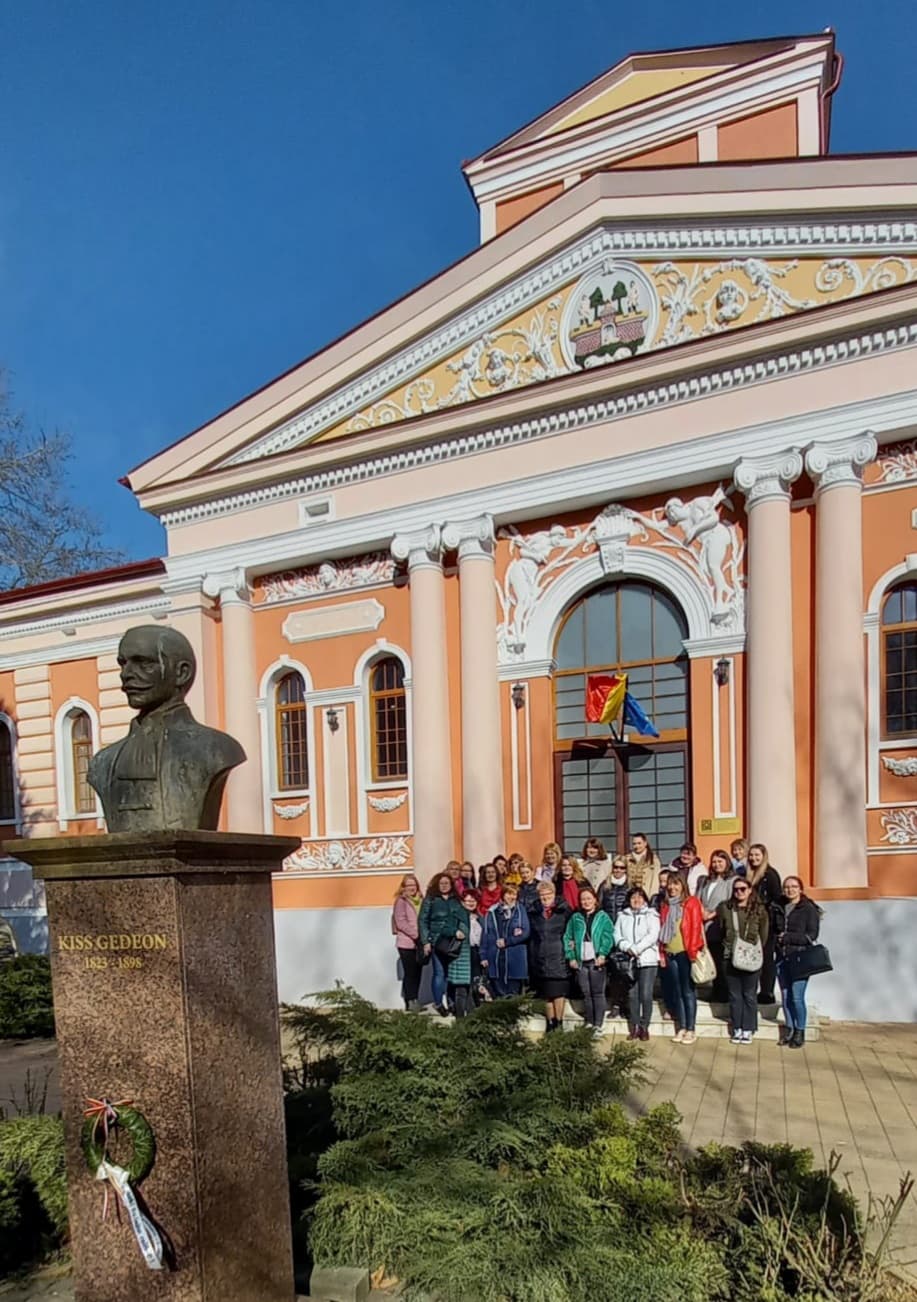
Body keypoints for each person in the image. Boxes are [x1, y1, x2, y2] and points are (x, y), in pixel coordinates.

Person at [718, 879, 769, 1043]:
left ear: (749, 890)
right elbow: (721, 929)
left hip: (751, 957)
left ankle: (748, 1027)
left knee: (749, 994)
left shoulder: (759, 910)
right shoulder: (725, 908)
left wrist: (752, 948)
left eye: (742, 889)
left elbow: (764, 933)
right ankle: (737, 1027)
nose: (739, 892)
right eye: (736, 889)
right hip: (730, 956)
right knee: (734, 995)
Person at [775, 876, 821, 1048]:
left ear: (800, 889)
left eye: (794, 886)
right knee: (786, 996)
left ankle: (800, 1031)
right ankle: (789, 1028)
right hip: (782, 958)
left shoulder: (808, 909)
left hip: (800, 958)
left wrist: (788, 938)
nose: (790, 890)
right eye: (786, 887)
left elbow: (811, 935)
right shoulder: (779, 907)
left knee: (796, 996)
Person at [658, 872, 703, 1044]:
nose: (672, 887)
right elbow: (662, 929)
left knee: (688, 991)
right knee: (677, 991)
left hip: (686, 953)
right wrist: (661, 953)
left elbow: (696, 928)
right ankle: (681, 1027)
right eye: (670, 884)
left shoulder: (691, 903)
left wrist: (693, 953)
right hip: (670, 952)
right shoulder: (665, 905)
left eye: (676, 884)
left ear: (682, 885)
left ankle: (691, 1029)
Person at [564, 885, 614, 1032]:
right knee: (586, 993)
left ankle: (598, 1024)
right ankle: (590, 1021)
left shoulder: (603, 917)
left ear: (595, 900)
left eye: (588, 898)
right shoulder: (575, 917)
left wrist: (603, 954)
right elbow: (568, 937)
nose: (586, 902)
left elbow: (608, 937)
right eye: (583, 899)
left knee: (597, 993)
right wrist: (571, 956)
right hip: (581, 961)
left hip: (596, 960)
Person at [418, 873, 467, 1016]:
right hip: (436, 941)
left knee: (451, 973)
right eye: (441, 883)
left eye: (447, 883)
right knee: (439, 973)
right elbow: (422, 921)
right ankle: (438, 1003)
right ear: (436, 885)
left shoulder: (456, 900)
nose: (444, 885)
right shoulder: (431, 900)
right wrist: (426, 941)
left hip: (453, 942)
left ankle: (452, 1002)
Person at [615, 886, 660, 1040]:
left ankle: (644, 1026)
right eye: (633, 897)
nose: (636, 900)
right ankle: (634, 1026)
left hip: (647, 959)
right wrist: (627, 947)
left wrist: (638, 948)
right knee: (633, 995)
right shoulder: (622, 916)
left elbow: (653, 935)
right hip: (630, 960)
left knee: (646, 994)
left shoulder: (652, 915)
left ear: (645, 900)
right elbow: (617, 935)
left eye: (640, 897)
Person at [529, 880, 572, 1032]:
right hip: (541, 956)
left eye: (548, 894)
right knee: (546, 994)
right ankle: (550, 1023)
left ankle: (559, 1023)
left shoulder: (564, 911)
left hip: (558, 955)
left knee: (558, 993)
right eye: (542, 895)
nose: (545, 898)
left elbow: (571, 931)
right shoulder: (533, 912)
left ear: (554, 894)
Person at [695, 849, 734, 1002]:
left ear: (727, 863)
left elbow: (729, 902)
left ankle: (723, 993)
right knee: (709, 959)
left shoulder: (731, 881)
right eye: (715, 861)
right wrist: (701, 911)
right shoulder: (705, 881)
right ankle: (714, 990)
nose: (717, 864)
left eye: (720, 861)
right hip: (704, 927)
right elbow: (697, 898)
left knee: (721, 961)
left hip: (719, 925)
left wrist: (713, 914)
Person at [747, 843, 783, 1003]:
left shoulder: (770, 874)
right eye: (752, 855)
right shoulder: (749, 874)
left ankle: (767, 992)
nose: (754, 858)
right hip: (751, 919)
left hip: (767, 921)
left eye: (757, 855)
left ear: (763, 856)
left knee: (767, 957)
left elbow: (777, 899)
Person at [481, 883, 530, 997]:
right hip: (496, 957)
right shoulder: (492, 912)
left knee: (513, 994)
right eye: (509, 893)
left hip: (514, 958)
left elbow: (525, 932)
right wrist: (483, 955)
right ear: (503, 895)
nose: (511, 897)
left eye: (514, 894)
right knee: (498, 995)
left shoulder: (520, 910)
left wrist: (508, 941)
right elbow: (486, 934)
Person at [391, 873, 423, 1010]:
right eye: (409, 885)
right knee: (410, 973)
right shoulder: (401, 901)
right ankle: (410, 1001)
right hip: (406, 943)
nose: (412, 888)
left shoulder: (421, 900)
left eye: (413, 885)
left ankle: (415, 998)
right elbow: (401, 922)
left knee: (418, 972)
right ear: (403, 887)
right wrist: (416, 934)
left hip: (420, 943)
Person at [461, 890, 489, 1006]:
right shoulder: (459, 917)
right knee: (466, 982)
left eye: (473, 900)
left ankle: (478, 1005)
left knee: (478, 981)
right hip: (464, 953)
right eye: (468, 900)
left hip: (477, 952)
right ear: (462, 902)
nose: (471, 903)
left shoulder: (480, 918)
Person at [626, 833, 662, 900]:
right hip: (631, 897)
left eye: (639, 843)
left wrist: (652, 898)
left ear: (645, 843)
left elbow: (655, 881)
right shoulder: (627, 859)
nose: (636, 846)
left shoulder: (653, 859)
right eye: (634, 844)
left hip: (647, 896)